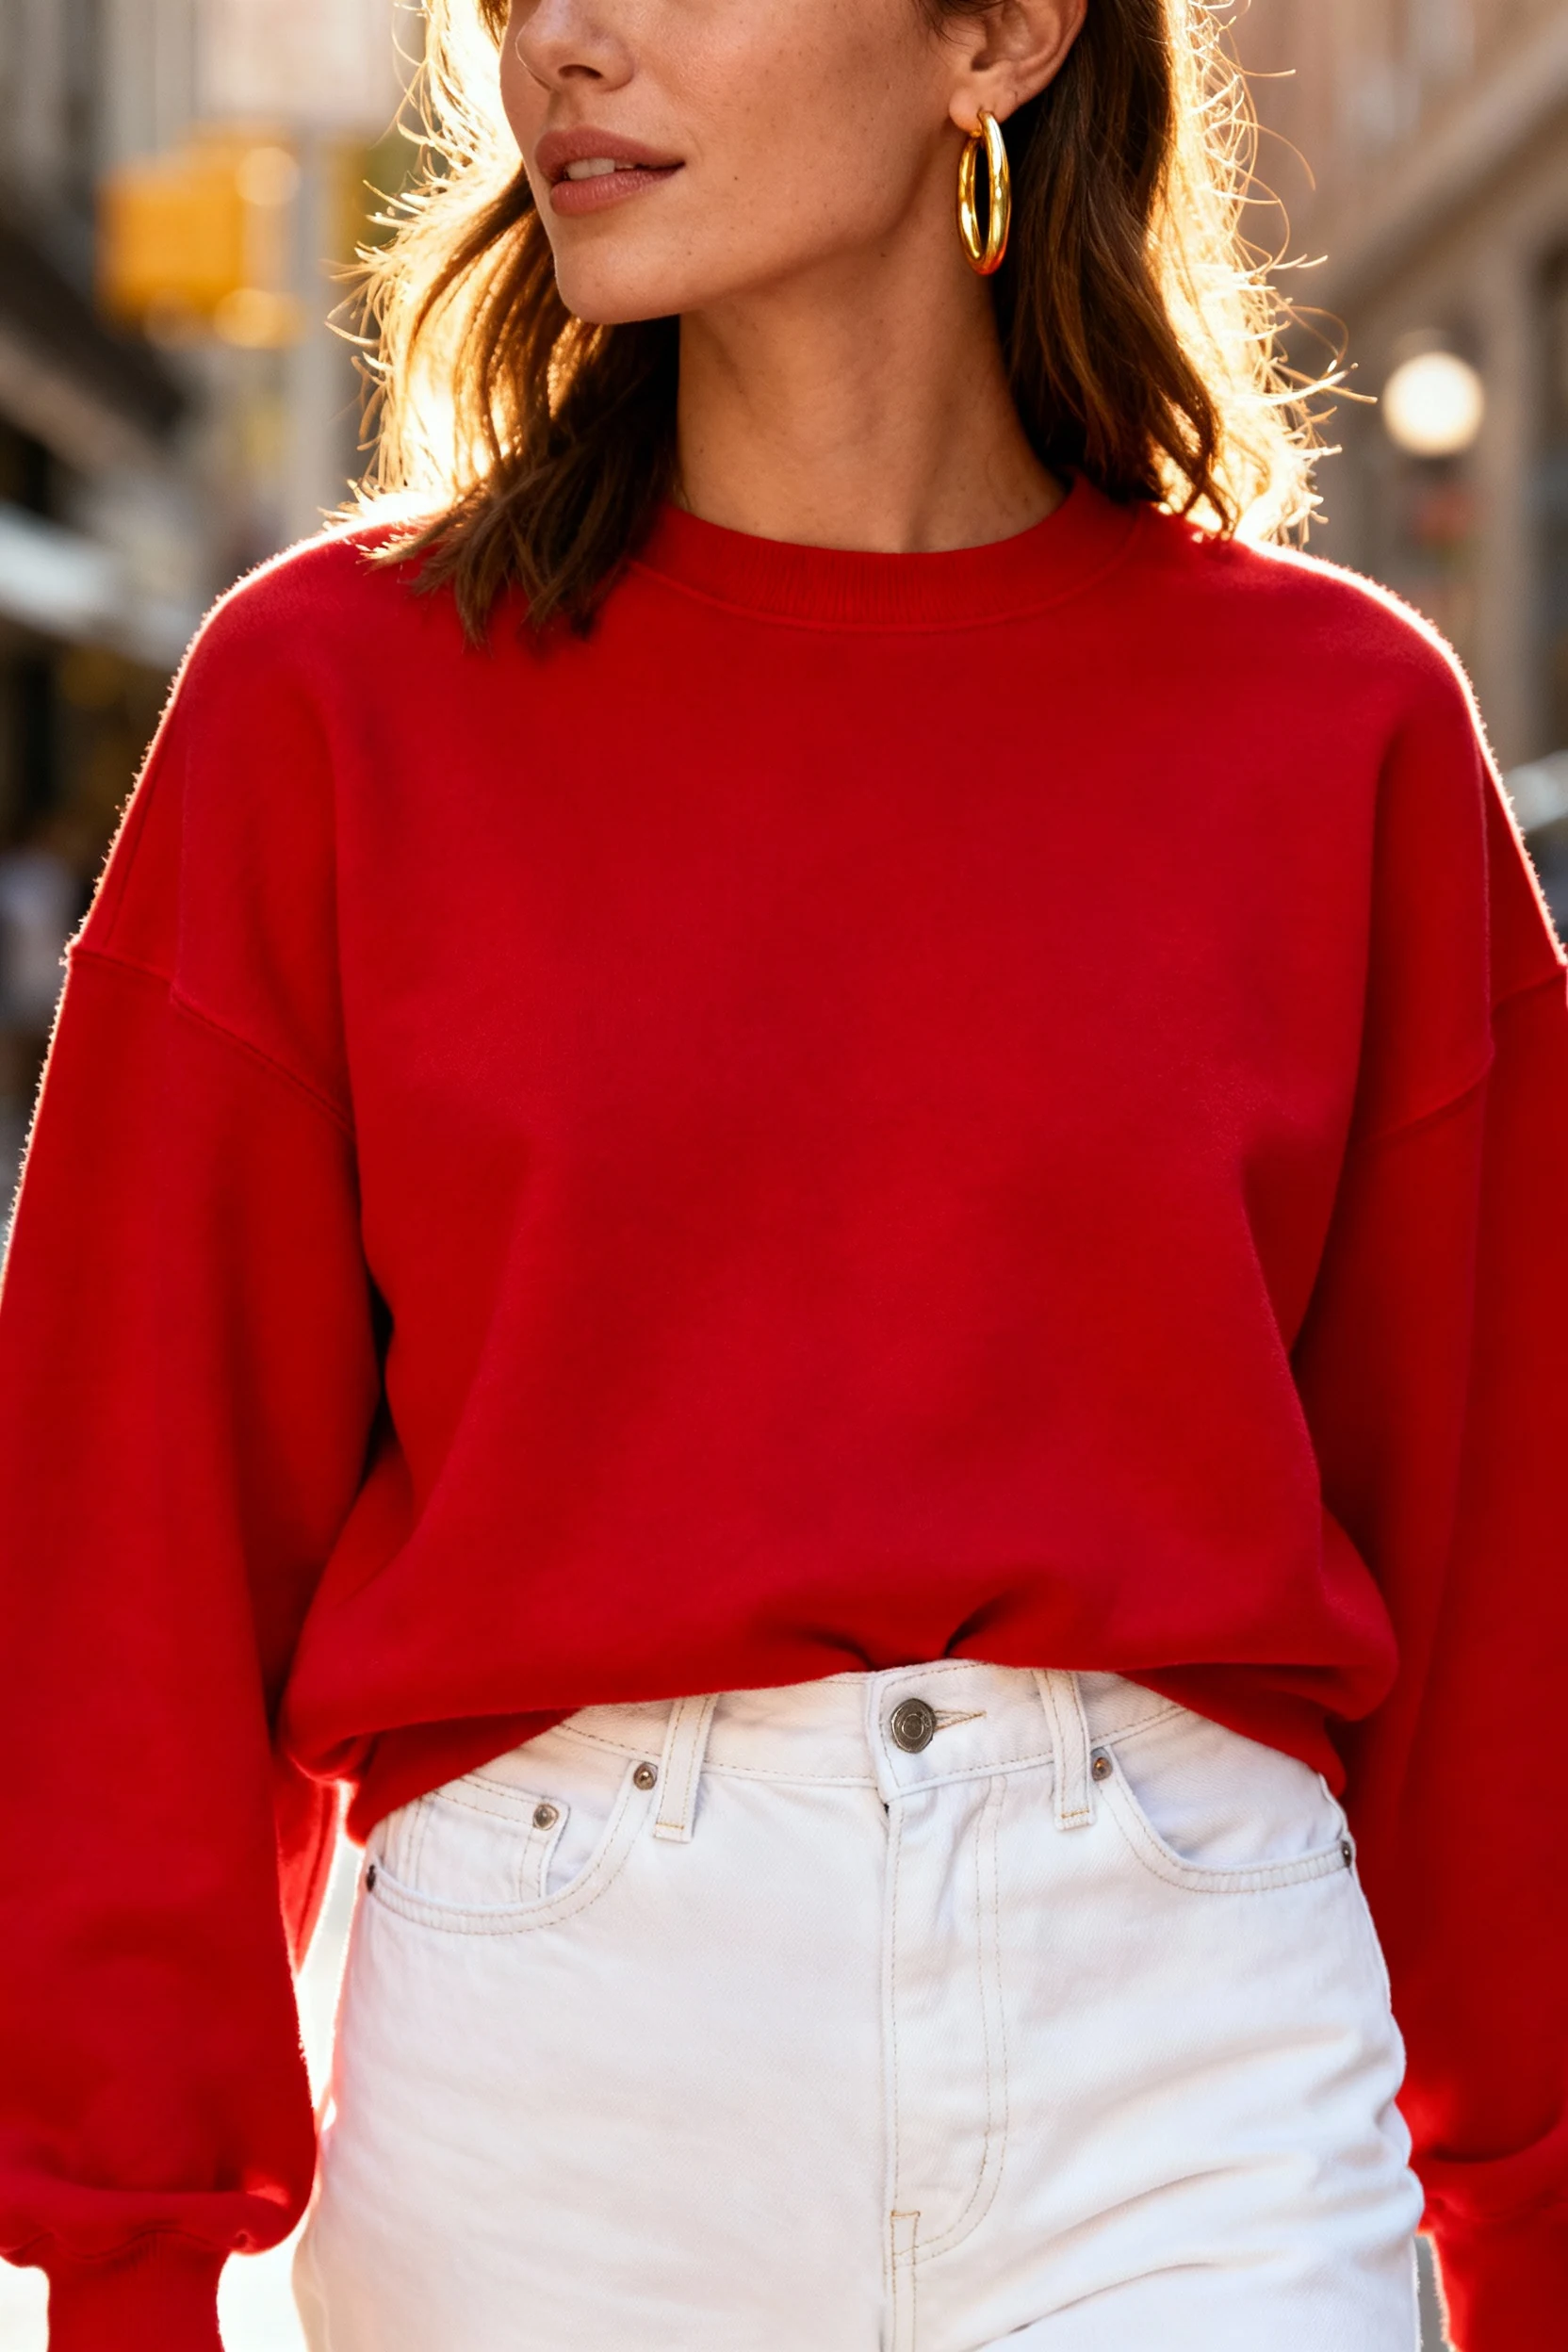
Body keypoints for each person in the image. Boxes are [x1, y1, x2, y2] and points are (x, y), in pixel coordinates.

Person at [0, 0, 1564, 2345]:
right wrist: (126, 2261)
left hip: (1197, 2072)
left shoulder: (1339, 730)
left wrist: (1531, 2238)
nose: (560, 41)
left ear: (997, 35)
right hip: (552, 2102)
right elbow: (129, 1540)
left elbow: (1502, 1572)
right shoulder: (329, 703)